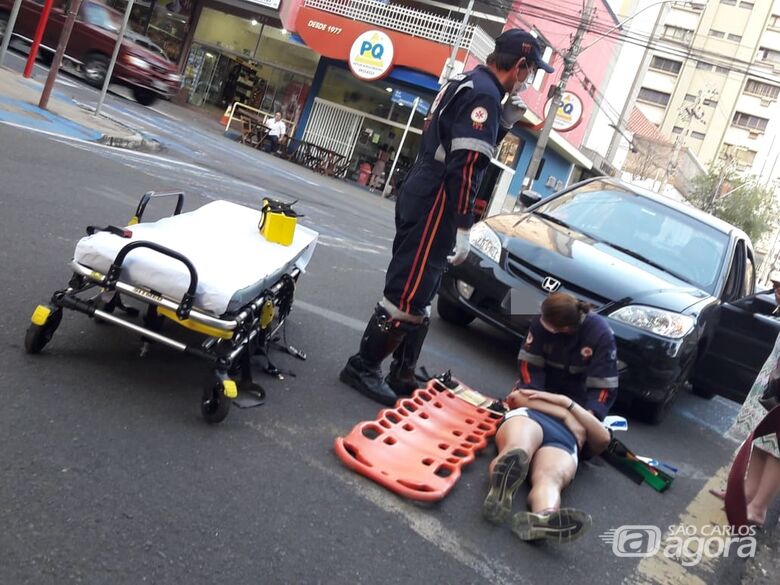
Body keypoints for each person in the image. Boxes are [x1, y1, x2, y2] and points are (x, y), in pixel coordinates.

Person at [340, 29, 554, 405]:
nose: (528, 80)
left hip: (426, 183)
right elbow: (467, 164)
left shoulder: (470, 81)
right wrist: (464, 225)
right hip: (438, 195)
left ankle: (401, 371)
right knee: (408, 288)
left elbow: (458, 140)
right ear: (519, 65)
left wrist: (502, 123)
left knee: (422, 288)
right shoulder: (485, 94)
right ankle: (363, 365)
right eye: (530, 71)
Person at [482, 292, 618, 542]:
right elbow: (524, 388)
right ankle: (545, 511)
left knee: (517, 450)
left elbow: (602, 398)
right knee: (546, 476)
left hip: (535, 412)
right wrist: (566, 411)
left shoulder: (600, 335)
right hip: (562, 428)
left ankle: (540, 516)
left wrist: (568, 408)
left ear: (565, 329)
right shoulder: (542, 321)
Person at [710, 271, 780, 527]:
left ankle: (758, 508)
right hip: (773, 386)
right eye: (775, 286)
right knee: (762, 440)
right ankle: (745, 496)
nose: (776, 292)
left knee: (777, 451)